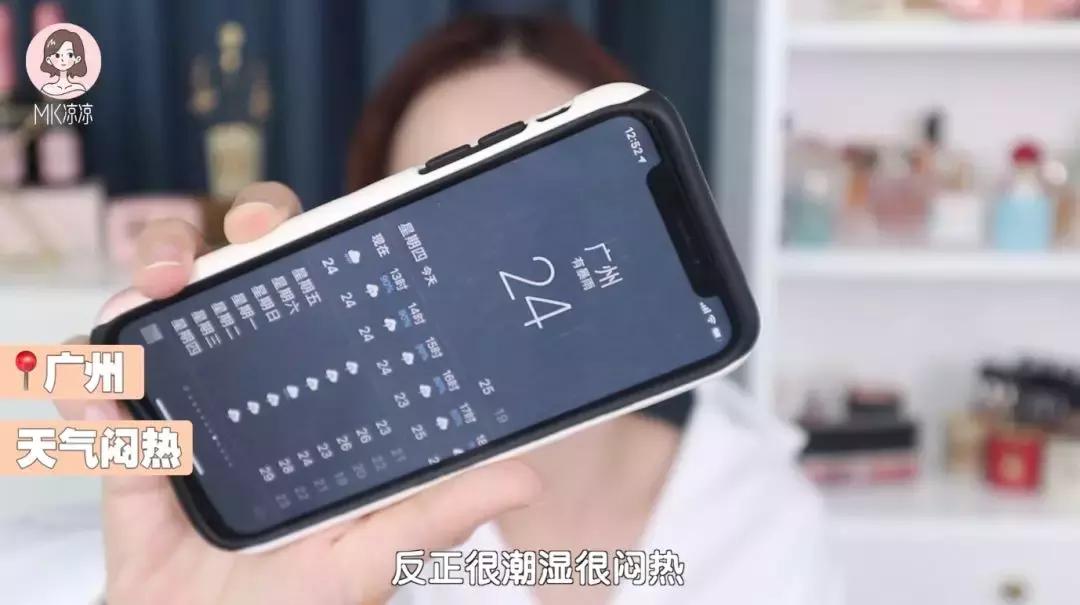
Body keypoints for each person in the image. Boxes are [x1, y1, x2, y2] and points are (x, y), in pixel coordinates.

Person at [49, 15, 839, 605]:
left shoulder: (759, 512)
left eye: (546, 201)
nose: (504, 265)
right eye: (452, 215)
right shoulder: (327, 522)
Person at [38, 28, 88, 99]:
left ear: (77, 59)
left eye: (69, 55)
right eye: (57, 55)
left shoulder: (79, 88)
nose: (62, 59)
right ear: (48, 60)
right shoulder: (46, 88)